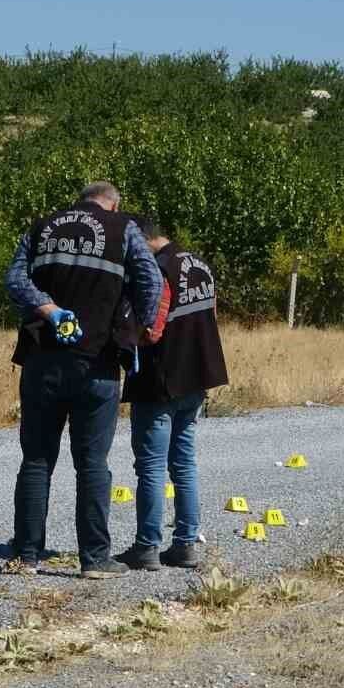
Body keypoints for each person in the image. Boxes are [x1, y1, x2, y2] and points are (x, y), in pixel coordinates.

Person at [4, 182, 162, 579]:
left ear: (81, 200)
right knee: (92, 463)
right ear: (112, 203)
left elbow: (15, 280)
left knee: (37, 459)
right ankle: (94, 559)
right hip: (98, 360)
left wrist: (50, 309)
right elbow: (151, 281)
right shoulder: (122, 228)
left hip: (42, 358)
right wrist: (138, 329)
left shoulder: (42, 227)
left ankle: (26, 555)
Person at [114, 219, 229, 570]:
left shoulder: (158, 269)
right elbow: (211, 314)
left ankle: (147, 546)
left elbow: (153, 329)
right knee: (184, 464)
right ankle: (186, 544)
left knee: (150, 466)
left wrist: (123, 337)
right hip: (197, 376)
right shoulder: (200, 265)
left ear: (143, 240)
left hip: (161, 379)